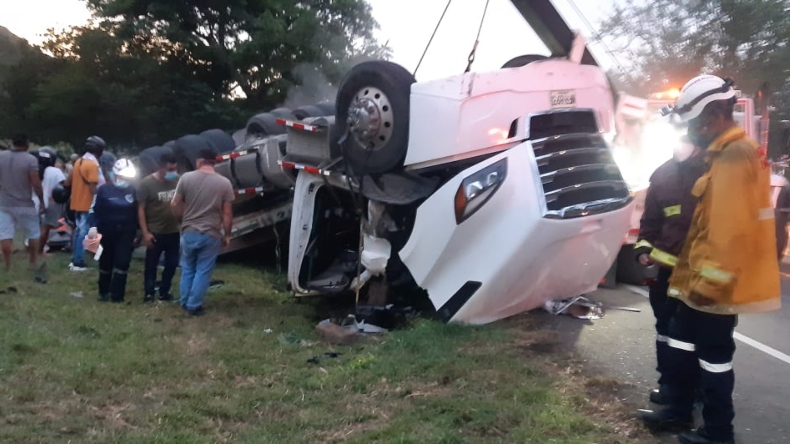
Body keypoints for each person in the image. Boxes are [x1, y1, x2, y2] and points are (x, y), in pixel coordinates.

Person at [640, 75, 781, 444]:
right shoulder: (723, 153)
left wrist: (708, 286)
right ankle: (677, 411)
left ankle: (719, 433)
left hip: (713, 288)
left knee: (714, 360)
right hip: (696, 282)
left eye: (694, 122)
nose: (691, 131)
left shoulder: (735, 154)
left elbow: (729, 233)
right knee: (681, 345)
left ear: (716, 113)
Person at [634, 134, 706, 406]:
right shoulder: (663, 175)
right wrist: (642, 250)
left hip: (704, 274)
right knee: (666, 331)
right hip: (668, 274)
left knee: (700, 336)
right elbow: (650, 222)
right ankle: (669, 386)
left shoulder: (715, 172)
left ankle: (697, 388)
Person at [171, 148, 234, 316]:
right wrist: (227, 235)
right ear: (215, 162)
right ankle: (193, 306)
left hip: (188, 231)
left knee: (188, 268)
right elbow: (227, 213)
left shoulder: (186, 178)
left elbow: (174, 204)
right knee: (203, 270)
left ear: (199, 161)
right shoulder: (224, 183)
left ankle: (185, 302)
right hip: (210, 233)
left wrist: (181, 222)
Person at [92, 158, 139, 303]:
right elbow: (95, 211)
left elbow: (137, 212)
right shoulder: (104, 190)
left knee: (123, 263)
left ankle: (118, 295)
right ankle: (103, 291)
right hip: (106, 232)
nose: (125, 180)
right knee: (106, 263)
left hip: (126, 232)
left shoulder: (133, 190)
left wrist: (138, 233)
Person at [138, 153, 181, 303]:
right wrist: (145, 232)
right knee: (151, 264)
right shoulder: (147, 184)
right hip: (155, 232)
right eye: (169, 169)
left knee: (172, 263)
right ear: (160, 167)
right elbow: (141, 209)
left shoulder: (177, 180)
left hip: (174, 231)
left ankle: (165, 291)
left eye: (174, 169)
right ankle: (149, 293)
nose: (172, 172)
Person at [0, 134, 45, 275]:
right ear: (26, 144)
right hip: (25, 203)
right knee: (33, 233)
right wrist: (41, 200)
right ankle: (32, 262)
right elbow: (36, 183)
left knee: (5, 234)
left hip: (5, 203)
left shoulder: (1, 156)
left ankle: (8, 265)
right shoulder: (30, 159)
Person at [64, 136, 106, 271]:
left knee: (78, 231)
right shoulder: (92, 165)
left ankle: (75, 258)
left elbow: (69, 182)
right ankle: (78, 262)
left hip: (77, 202)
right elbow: (93, 187)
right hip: (88, 203)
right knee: (83, 232)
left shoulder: (79, 162)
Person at [37, 147, 67, 256]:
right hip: (49, 202)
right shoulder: (55, 171)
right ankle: (40, 251)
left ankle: (29, 248)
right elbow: (65, 184)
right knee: (46, 228)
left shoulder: (33, 169)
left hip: (33, 201)